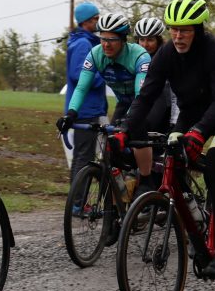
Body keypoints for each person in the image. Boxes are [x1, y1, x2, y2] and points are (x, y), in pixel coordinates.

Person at [119, 0, 215, 277]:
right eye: (173, 29)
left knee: (212, 167)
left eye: (185, 30)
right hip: (190, 111)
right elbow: (147, 95)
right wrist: (126, 130)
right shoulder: (165, 55)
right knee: (173, 158)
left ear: (198, 30)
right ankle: (197, 219)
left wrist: (200, 133)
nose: (178, 36)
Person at [58, 12, 156, 203]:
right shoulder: (95, 54)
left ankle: (146, 180)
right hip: (124, 102)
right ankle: (117, 197)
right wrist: (71, 114)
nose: (106, 45)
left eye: (111, 40)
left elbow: (141, 97)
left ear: (123, 39)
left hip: (145, 101)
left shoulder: (139, 56)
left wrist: (130, 123)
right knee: (112, 146)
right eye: (102, 39)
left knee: (137, 128)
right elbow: (81, 87)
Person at [62, 2, 107, 180]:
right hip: (85, 109)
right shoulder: (82, 44)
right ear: (86, 21)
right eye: (96, 18)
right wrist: (104, 75)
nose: (98, 21)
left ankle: (76, 203)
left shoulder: (86, 41)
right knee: (84, 158)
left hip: (88, 108)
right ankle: (78, 205)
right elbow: (78, 74)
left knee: (82, 157)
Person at [134, 16, 178, 132]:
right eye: (142, 39)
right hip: (141, 104)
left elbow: (175, 94)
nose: (145, 44)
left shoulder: (166, 57)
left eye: (150, 40)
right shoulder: (134, 58)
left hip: (164, 108)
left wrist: (174, 120)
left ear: (158, 40)